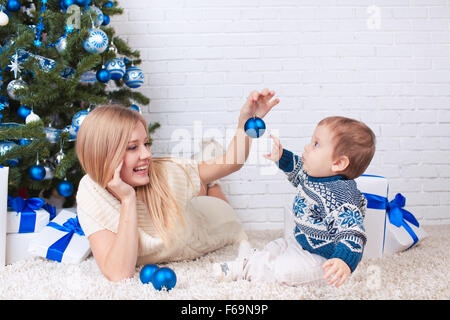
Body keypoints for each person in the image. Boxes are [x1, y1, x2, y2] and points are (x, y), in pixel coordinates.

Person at [75, 89, 279, 282]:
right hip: (183, 210)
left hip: (211, 220)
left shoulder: (164, 172)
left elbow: (232, 162)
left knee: (213, 195)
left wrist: (245, 122)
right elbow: (118, 273)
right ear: (103, 154)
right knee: (195, 186)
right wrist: (128, 199)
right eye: (132, 147)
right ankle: (206, 174)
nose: (147, 155)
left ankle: (210, 181)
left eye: (146, 144)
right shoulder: (91, 190)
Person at [213, 116, 376, 287]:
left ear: (338, 163)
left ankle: (245, 269)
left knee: (285, 271)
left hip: (324, 259)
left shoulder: (341, 195)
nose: (307, 147)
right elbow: (297, 168)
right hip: (300, 244)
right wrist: (281, 156)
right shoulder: (313, 176)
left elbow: (352, 232)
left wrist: (343, 261)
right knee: (275, 246)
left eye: (316, 144)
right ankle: (254, 262)